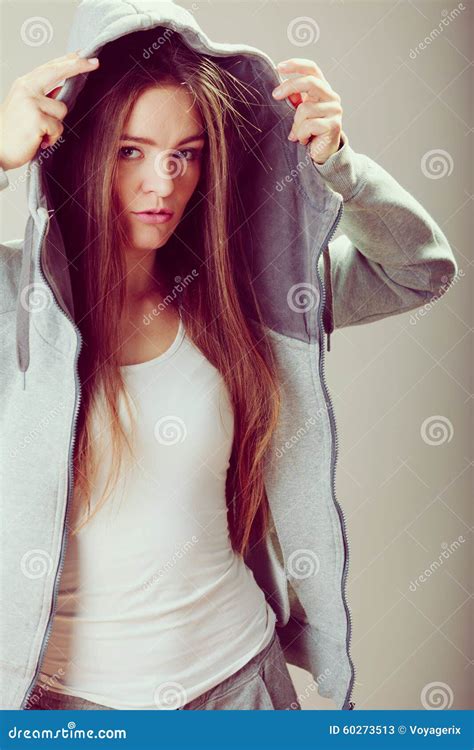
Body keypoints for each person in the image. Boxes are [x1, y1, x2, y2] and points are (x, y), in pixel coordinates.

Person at [0, 1, 457, 711]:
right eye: (131, 150)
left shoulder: (244, 293)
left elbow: (418, 270)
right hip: (73, 708)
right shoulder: (13, 300)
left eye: (186, 153)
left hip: (241, 685)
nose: (164, 183)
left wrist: (343, 169)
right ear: (77, 146)